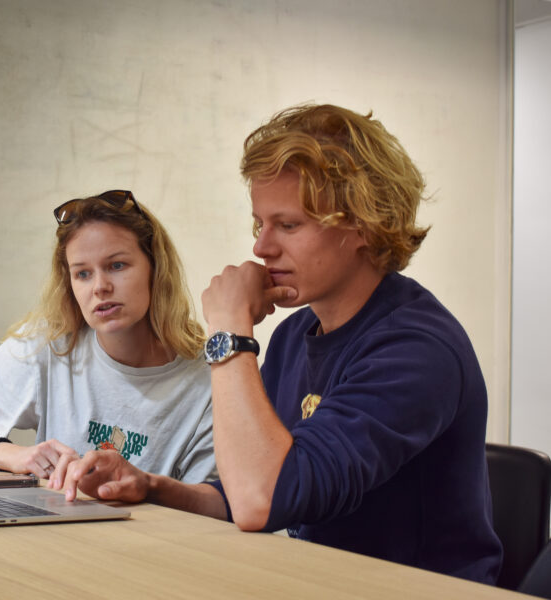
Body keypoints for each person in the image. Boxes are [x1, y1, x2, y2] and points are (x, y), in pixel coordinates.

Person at [53, 105, 503, 584]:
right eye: (259, 224)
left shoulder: (417, 350)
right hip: (315, 581)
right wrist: (153, 488)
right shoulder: (296, 333)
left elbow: (261, 499)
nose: (262, 248)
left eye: (288, 225)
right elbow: (240, 491)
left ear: (362, 226)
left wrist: (229, 331)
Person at [0, 190, 216, 484]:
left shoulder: (209, 382)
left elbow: (213, 510)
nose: (100, 287)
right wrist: (13, 456)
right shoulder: (48, 344)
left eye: (117, 265)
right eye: (82, 274)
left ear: (156, 269)